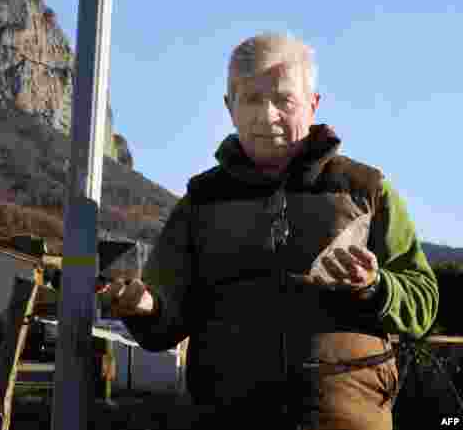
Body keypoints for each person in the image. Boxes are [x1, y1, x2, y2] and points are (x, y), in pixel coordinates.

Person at [102, 32, 438, 430]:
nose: (267, 115)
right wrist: (145, 308)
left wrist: (375, 285)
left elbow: (424, 304)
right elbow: (165, 324)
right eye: (251, 100)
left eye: (283, 100)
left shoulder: (366, 190)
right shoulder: (200, 202)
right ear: (229, 108)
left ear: (313, 104)